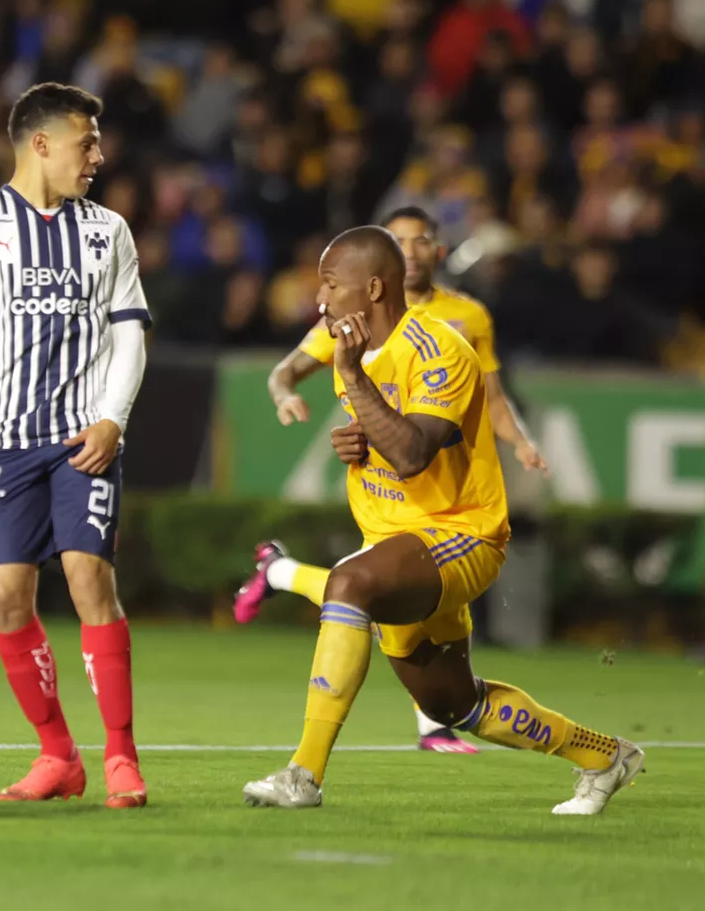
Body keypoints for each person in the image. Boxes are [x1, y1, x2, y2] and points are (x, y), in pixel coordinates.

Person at [239, 225, 642, 815]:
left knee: (350, 584)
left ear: (372, 287)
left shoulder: (440, 349)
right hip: (400, 542)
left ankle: (303, 775)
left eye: (330, 284)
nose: (319, 298)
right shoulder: (352, 349)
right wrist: (360, 442)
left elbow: (412, 453)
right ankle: (605, 757)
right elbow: (390, 442)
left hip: (462, 532)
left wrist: (355, 383)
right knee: (456, 705)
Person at [235, 204, 548, 754]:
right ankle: (425, 729)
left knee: (365, 589)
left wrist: (517, 438)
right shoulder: (346, 326)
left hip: (449, 508)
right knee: (371, 599)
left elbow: (483, 398)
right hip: (400, 513)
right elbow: (301, 374)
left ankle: (279, 573)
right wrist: (309, 407)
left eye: (419, 240)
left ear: (434, 251)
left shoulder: (461, 323)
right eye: (399, 240)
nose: (411, 250)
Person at [0, 82, 150, 808]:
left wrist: (113, 417)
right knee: (6, 600)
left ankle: (121, 756)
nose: (99, 156)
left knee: (89, 577)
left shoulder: (107, 230)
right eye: (87, 143)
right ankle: (58, 756)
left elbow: (131, 334)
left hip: (83, 435)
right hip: (4, 447)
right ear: (41, 144)